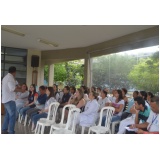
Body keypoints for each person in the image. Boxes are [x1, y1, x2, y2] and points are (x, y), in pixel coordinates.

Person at [2, 66, 23, 134]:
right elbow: (12, 89)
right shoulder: (10, 78)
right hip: (10, 100)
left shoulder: (6, 77)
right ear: (14, 72)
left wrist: (18, 85)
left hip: (5, 100)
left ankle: (4, 130)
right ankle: (11, 132)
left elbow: (15, 83)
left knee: (7, 115)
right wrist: (21, 90)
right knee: (12, 117)